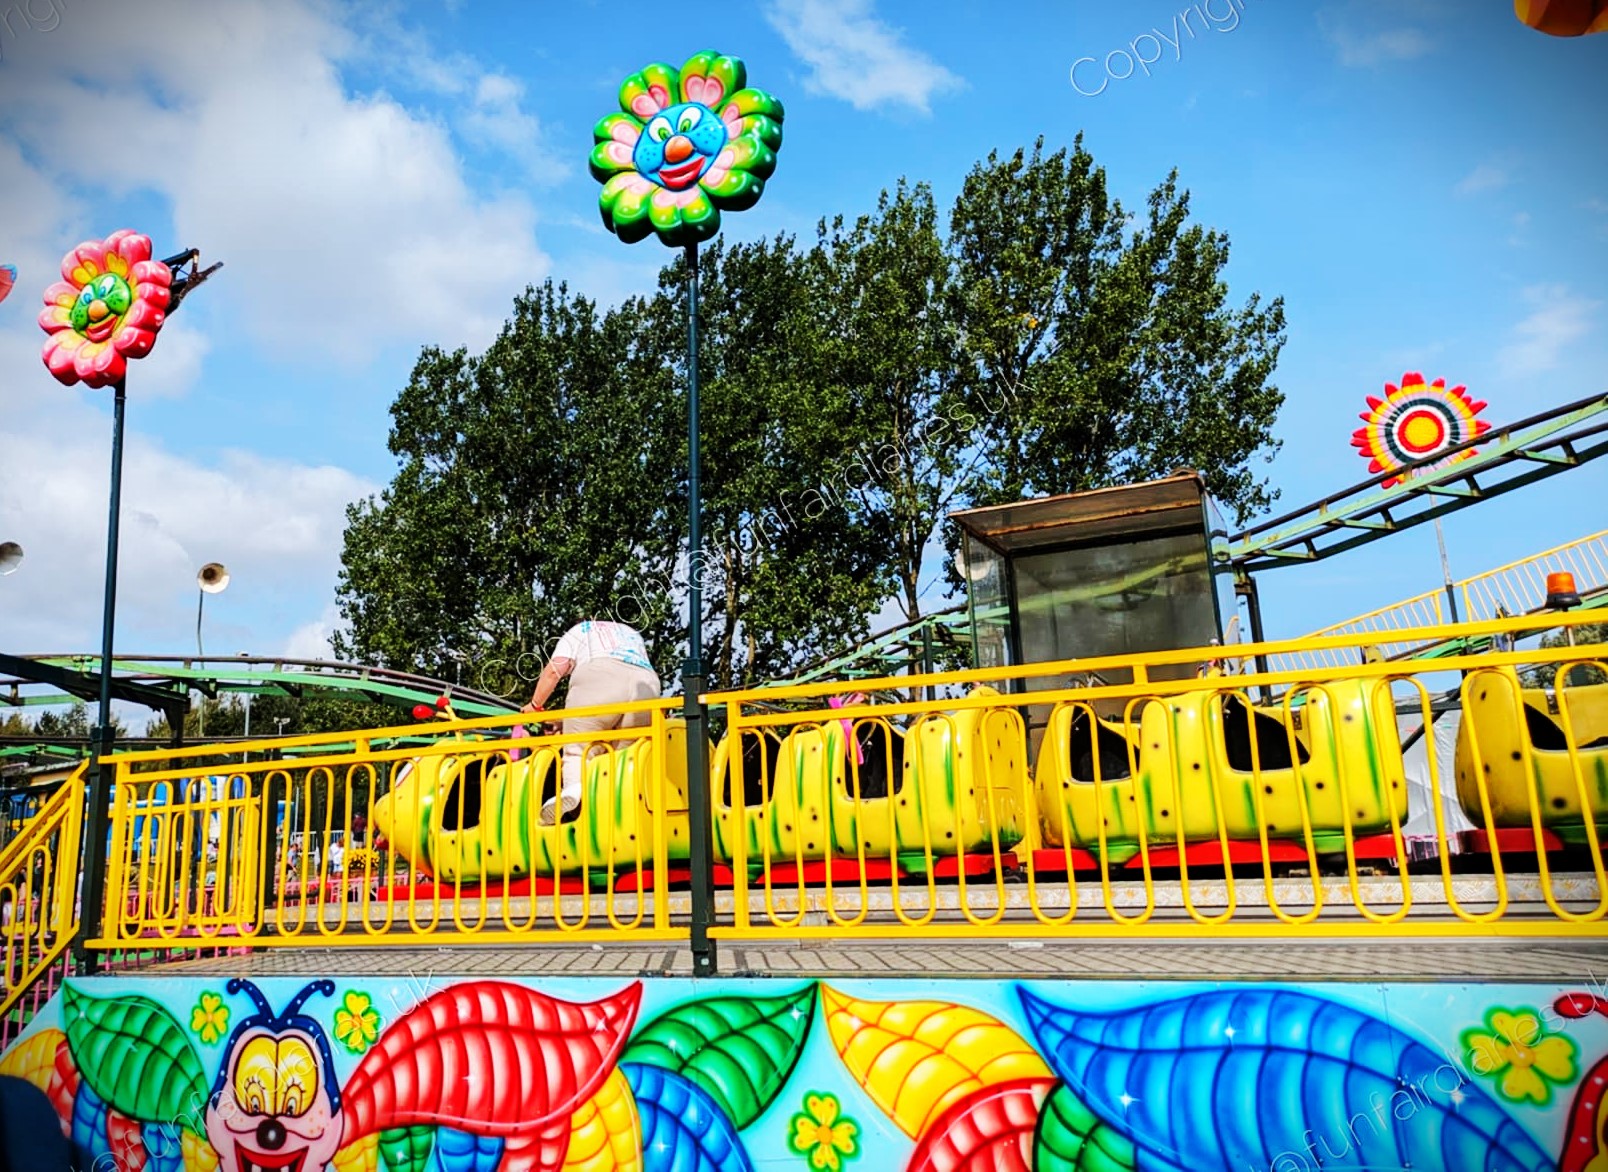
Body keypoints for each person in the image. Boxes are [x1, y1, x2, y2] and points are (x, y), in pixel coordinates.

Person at [522, 619, 661, 825]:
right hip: (647, 683)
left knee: (578, 751)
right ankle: (620, 818)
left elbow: (555, 670)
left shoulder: (579, 630)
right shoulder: (630, 632)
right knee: (623, 757)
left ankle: (577, 805)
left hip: (601, 674)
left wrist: (535, 705)